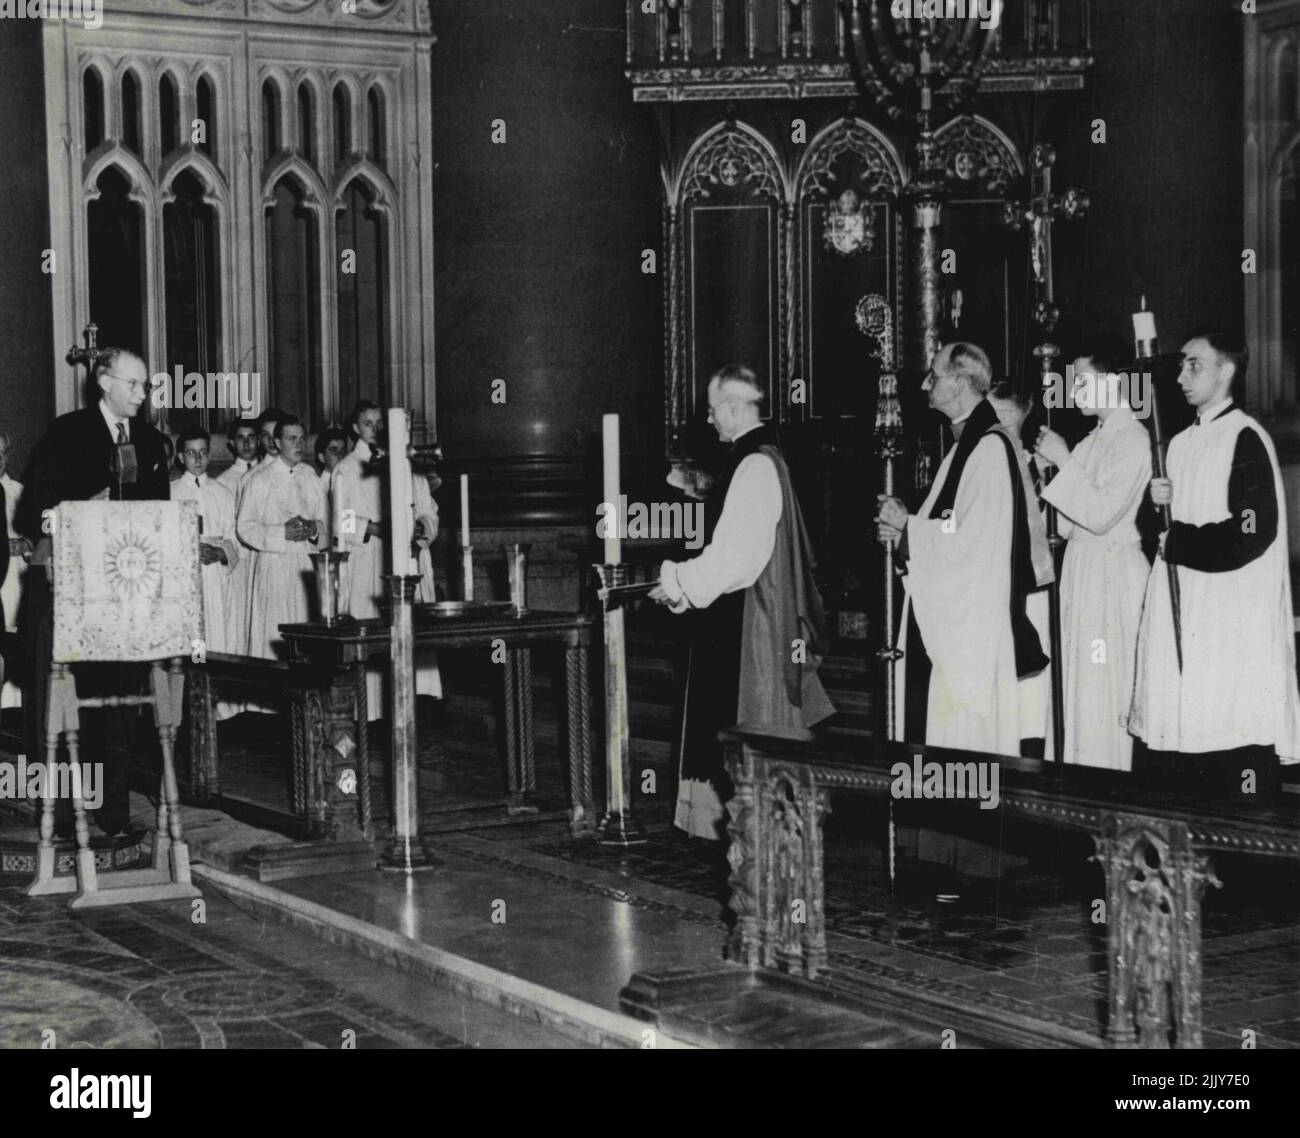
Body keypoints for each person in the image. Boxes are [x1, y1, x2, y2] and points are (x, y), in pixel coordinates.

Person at [649, 364, 835, 840]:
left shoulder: (755, 466)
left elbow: (736, 561)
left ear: (732, 407)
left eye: (713, 411)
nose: (709, 421)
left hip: (753, 628)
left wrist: (677, 581)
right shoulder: (760, 459)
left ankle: (757, 854)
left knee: (751, 755)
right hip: (741, 617)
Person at [1129, 331, 1300, 795]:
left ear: (1226, 371)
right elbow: (1157, 540)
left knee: (1227, 742)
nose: (1181, 376)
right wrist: (1154, 509)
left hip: (1227, 624)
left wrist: (1178, 539)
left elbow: (1251, 532)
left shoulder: (1245, 438)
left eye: (1194, 365)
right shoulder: (1178, 444)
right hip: (1184, 614)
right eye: (1182, 366)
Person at [15, 347, 172, 835]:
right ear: (104, 381)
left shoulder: (149, 441)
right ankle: (61, 817)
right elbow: (32, 516)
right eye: (133, 384)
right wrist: (81, 509)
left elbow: (161, 516)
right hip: (67, 596)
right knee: (61, 707)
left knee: (119, 710)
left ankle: (115, 813)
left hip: (123, 600)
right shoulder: (66, 433)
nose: (142, 395)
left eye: (146, 386)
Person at [875, 342, 1052, 756]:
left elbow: (971, 546)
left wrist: (909, 530)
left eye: (933, 376)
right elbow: (953, 529)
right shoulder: (965, 446)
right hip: (954, 622)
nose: (925, 384)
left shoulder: (988, 448)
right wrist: (906, 533)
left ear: (958, 383)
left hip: (971, 634)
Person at [1033, 338, 1152, 772]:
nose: (1074, 391)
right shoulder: (1091, 441)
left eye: (1082, 381)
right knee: (1078, 688)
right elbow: (1063, 525)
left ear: (1115, 381)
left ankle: (1108, 791)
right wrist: (1045, 471)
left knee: (1105, 688)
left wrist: (1062, 463)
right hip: (1082, 572)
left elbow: (1100, 516)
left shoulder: (1134, 440)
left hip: (1111, 575)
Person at [331, 401, 441, 719]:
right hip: (370, 561)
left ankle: (417, 706)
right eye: (368, 423)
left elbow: (428, 509)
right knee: (375, 634)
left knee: (413, 632)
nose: (376, 430)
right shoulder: (348, 468)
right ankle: (373, 712)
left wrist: (423, 529)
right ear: (356, 428)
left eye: (381, 424)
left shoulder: (407, 464)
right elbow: (340, 519)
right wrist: (376, 528)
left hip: (409, 557)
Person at [987, 380, 1052, 759]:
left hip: (1031, 592)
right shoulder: (986, 462)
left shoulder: (1033, 468)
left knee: (1030, 700)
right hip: (997, 587)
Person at [236, 417, 327, 660]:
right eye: (291, 439)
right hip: (274, 565)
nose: (299, 444)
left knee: (306, 629)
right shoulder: (259, 479)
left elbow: (327, 522)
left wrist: (313, 528)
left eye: (302, 439)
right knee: (274, 630)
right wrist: (280, 532)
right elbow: (244, 528)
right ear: (277, 442)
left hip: (305, 565)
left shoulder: (311, 477)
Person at [170, 428, 241, 695]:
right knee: (194, 640)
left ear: (209, 455)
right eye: (191, 453)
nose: (197, 459)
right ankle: (193, 699)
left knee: (218, 637)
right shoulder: (172, 492)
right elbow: (167, 540)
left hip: (215, 580)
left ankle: (219, 704)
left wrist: (223, 552)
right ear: (180, 457)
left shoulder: (222, 493)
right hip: (188, 581)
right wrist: (192, 551)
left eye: (202, 453)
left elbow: (234, 537)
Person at [0, 429, 24, 711]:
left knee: (12, 645)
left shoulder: (19, 492)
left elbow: (38, 538)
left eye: (2, 453)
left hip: (14, 584)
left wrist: (26, 544)